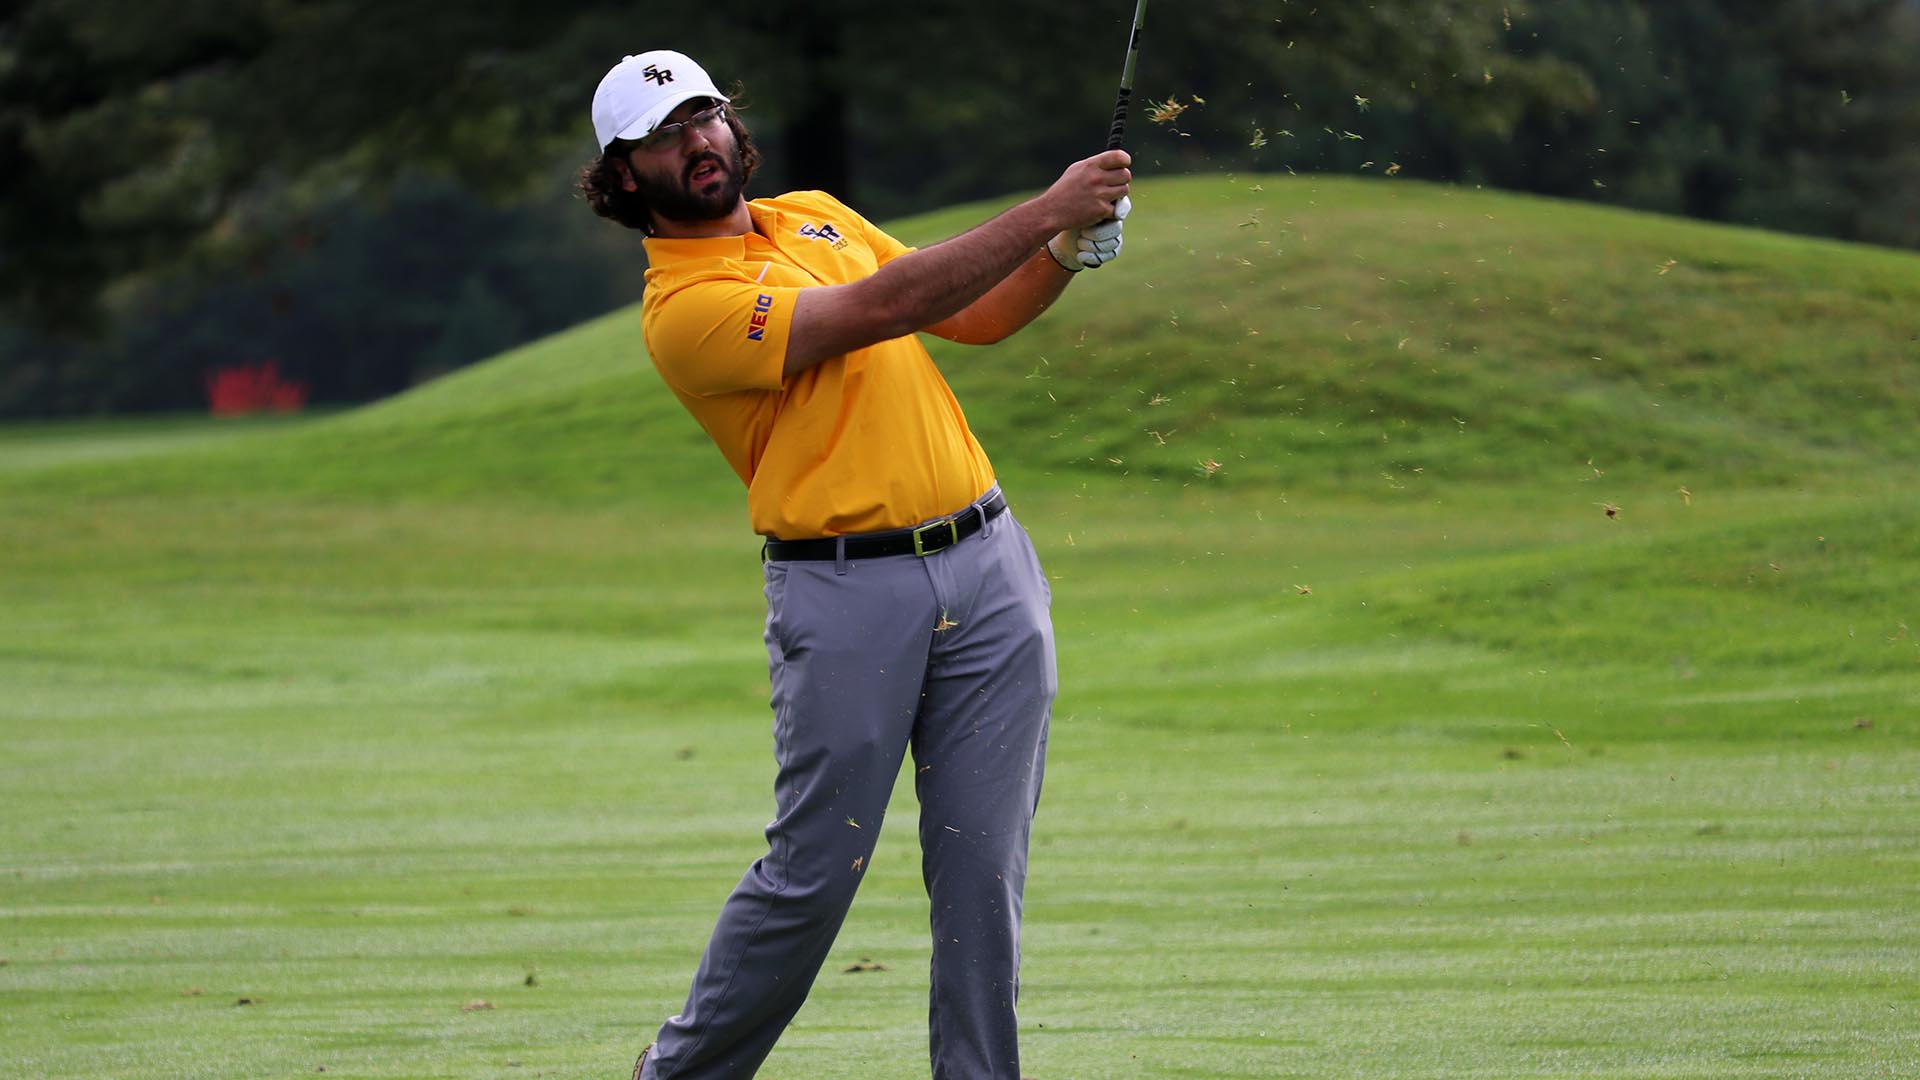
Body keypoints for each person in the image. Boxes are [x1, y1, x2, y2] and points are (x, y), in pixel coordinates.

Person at [579, 49, 1131, 1080]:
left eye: (703, 115)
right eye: (662, 137)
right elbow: (882, 309)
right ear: (623, 178)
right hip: (843, 592)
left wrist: (1063, 249)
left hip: (989, 566)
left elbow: (973, 313)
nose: (695, 141)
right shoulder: (684, 309)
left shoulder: (816, 216)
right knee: (814, 873)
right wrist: (1046, 208)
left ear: (732, 125)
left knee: (984, 872)